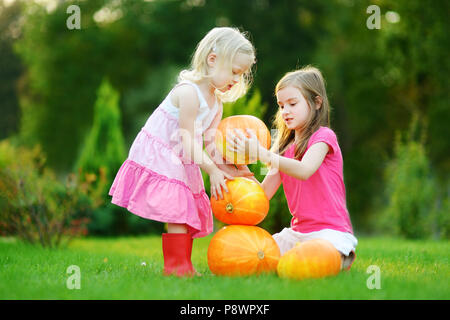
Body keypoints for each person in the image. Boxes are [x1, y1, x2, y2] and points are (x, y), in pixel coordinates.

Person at [108, 27, 256, 276]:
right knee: (177, 211)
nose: (236, 79)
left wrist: (230, 168)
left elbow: (209, 143)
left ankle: (182, 265)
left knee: (185, 211)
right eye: (233, 71)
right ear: (212, 60)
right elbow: (187, 138)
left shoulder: (216, 102)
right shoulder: (189, 93)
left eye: (240, 75)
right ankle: (176, 267)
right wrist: (210, 168)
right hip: (164, 151)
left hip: (183, 155)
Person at [227, 66, 358, 271]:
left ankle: (338, 257)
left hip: (330, 231)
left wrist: (264, 154)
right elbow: (262, 195)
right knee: (256, 255)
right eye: (281, 105)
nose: (285, 111)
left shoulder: (323, 137)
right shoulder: (283, 149)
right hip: (297, 233)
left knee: (317, 256)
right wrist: (243, 171)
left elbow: (304, 170)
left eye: (292, 103)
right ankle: (310, 259)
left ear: (316, 103)